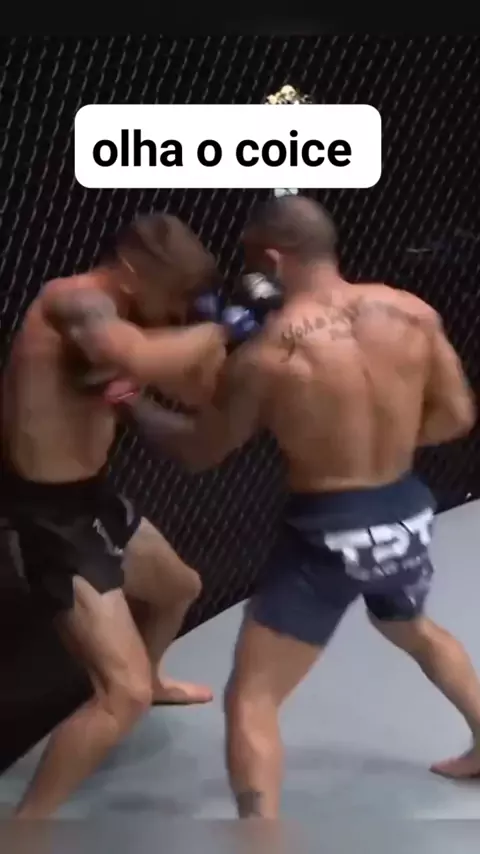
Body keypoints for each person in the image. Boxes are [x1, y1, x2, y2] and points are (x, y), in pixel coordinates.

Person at [117, 195, 480, 819]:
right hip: (406, 514)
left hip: (329, 533)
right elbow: (456, 416)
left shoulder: (268, 355)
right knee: (411, 627)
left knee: (252, 700)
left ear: (273, 258)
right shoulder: (413, 313)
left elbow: (201, 450)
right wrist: (381, 444)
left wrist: (131, 402)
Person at [2, 212, 228, 819]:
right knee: (119, 694)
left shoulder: (136, 319)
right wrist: (214, 333)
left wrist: (217, 346)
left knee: (179, 588)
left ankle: (152, 679)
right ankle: (26, 825)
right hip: (46, 515)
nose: (176, 309)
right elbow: (122, 352)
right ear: (131, 271)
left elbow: (197, 393)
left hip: (92, 498)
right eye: (172, 294)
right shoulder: (74, 301)